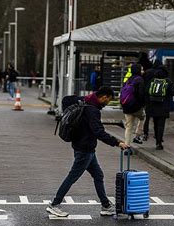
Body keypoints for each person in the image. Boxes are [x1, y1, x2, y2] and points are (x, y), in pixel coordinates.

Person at [46, 87, 129, 217]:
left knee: (98, 175)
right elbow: (99, 132)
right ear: (104, 97)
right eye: (109, 100)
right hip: (84, 150)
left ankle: (105, 205)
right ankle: (54, 204)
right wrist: (117, 143)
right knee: (72, 177)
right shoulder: (93, 110)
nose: (108, 103)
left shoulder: (85, 101)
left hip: (84, 147)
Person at [144, 61, 174, 150]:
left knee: (155, 123)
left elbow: (146, 91)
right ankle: (159, 142)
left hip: (153, 105)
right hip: (163, 105)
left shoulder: (153, 80)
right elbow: (173, 92)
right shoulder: (168, 81)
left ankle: (156, 139)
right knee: (161, 125)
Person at [122, 63, 146, 146]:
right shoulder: (140, 80)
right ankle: (137, 135)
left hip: (126, 107)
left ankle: (127, 146)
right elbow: (141, 94)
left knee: (128, 127)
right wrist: (142, 104)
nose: (143, 71)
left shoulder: (128, 79)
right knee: (143, 118)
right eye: (142, 69)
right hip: (136, 107)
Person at [141, 58, 160, 141]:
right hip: (156, 97)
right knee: (156, 118)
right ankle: (157, 135)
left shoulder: (147, 72)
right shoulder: (159, 73)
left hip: (147, 97)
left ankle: (145, 133)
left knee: (147, 117)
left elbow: (143, 83)